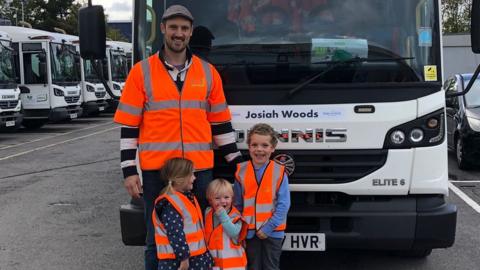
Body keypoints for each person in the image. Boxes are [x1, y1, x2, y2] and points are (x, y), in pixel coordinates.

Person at [113, 4, 242, 270]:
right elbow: (129, 126)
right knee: (155, 238)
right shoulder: (141, 72)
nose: (178, 33)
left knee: (200, 234)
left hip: (198, 171)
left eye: (184, 28)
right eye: (173, 27)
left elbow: (220, 124)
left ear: (191, 32)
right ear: (162, 29)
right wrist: (128, 170)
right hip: (157, 172)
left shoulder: (208, 73)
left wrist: (239, 164)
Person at [233, 123, 290, 270]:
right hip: (250, 233)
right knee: (252, 267)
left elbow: (284, 204)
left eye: (265, 145)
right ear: (249, 146)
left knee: (271, 267)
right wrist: (239, 230)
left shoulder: (279, 171)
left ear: (272, 148)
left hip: (273, 232)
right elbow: (237, 205)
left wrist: (268, 228)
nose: (259, 149)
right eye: (254, 145)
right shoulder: (241, 171)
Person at [152, 158, 214, 270]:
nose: (194, 178)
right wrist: (184, 258)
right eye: (192, 175)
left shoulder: (186, 198)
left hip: (195, 258)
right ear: (181, 178)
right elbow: (175, 233)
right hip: (180, 262)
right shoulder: (170, 204)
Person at [205, 178, 248, 270]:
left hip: (233, 266)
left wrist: (223, 215)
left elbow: (233, 232)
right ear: (210, 200)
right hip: (214, 264)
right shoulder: (208, 213)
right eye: (217, 198)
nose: (223, 201)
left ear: (232, 198)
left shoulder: (236, 216)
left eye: (226, 197)